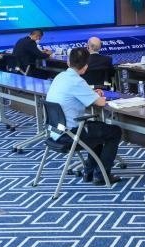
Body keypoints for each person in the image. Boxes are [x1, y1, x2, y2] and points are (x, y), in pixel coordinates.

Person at [45, 47, 122, 185]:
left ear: (68, 62)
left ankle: (89, 171)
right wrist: (97, 96)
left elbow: (77, 94)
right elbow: (101, 103)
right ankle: (102, 175)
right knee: (114, 131)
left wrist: (92, 94)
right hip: (69, 135)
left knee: (98, 129)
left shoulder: (60, 76)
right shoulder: (77, 81)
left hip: (54, 132)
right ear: (86, 67)